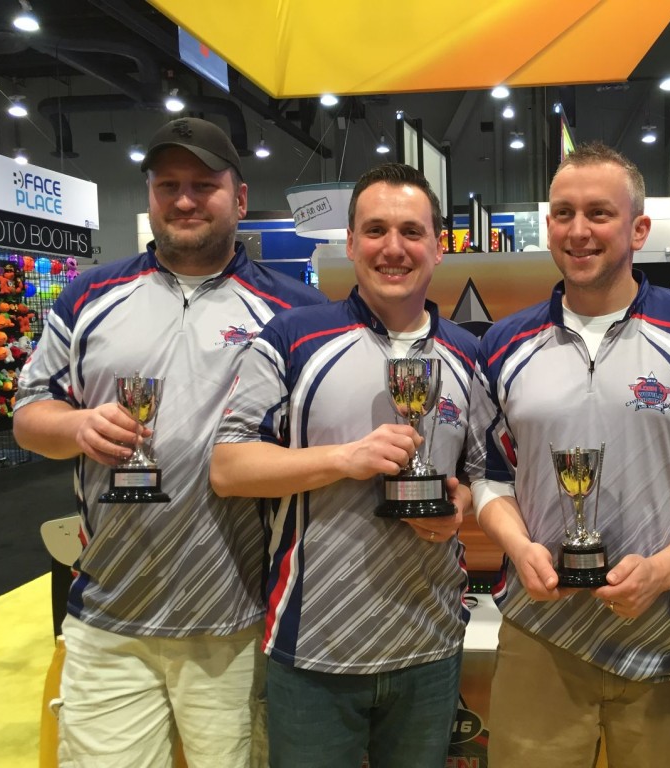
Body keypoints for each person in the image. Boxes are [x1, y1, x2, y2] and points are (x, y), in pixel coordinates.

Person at [13, 116, 327, 767]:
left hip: (236, 625)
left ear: (239, 198)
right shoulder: (88, 297)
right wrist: (76, 425)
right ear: (151, 196)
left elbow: (321, 447)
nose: (184, 200)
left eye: (203, 185)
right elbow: (27, 418)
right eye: (168, 185)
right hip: (108, 622)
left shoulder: (293, 314)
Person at [469, 142, 670, 767]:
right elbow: (489, 479)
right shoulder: (503, 342)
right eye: (563, 213)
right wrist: (520, 550)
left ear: (639, 228)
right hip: (541, 636)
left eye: (599, 213)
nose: (578, 230)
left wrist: (668, 566)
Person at [209, 162, 482, 768]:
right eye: (376, 230)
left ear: (439, 245)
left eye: (412, 231)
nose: (393, 247)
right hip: (314, 647)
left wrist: (460, 502)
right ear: (351, 244)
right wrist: (343, 458)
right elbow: (228, 467)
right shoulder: (291, 339)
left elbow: (480, 475)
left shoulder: (469, 353)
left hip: (429, 644)